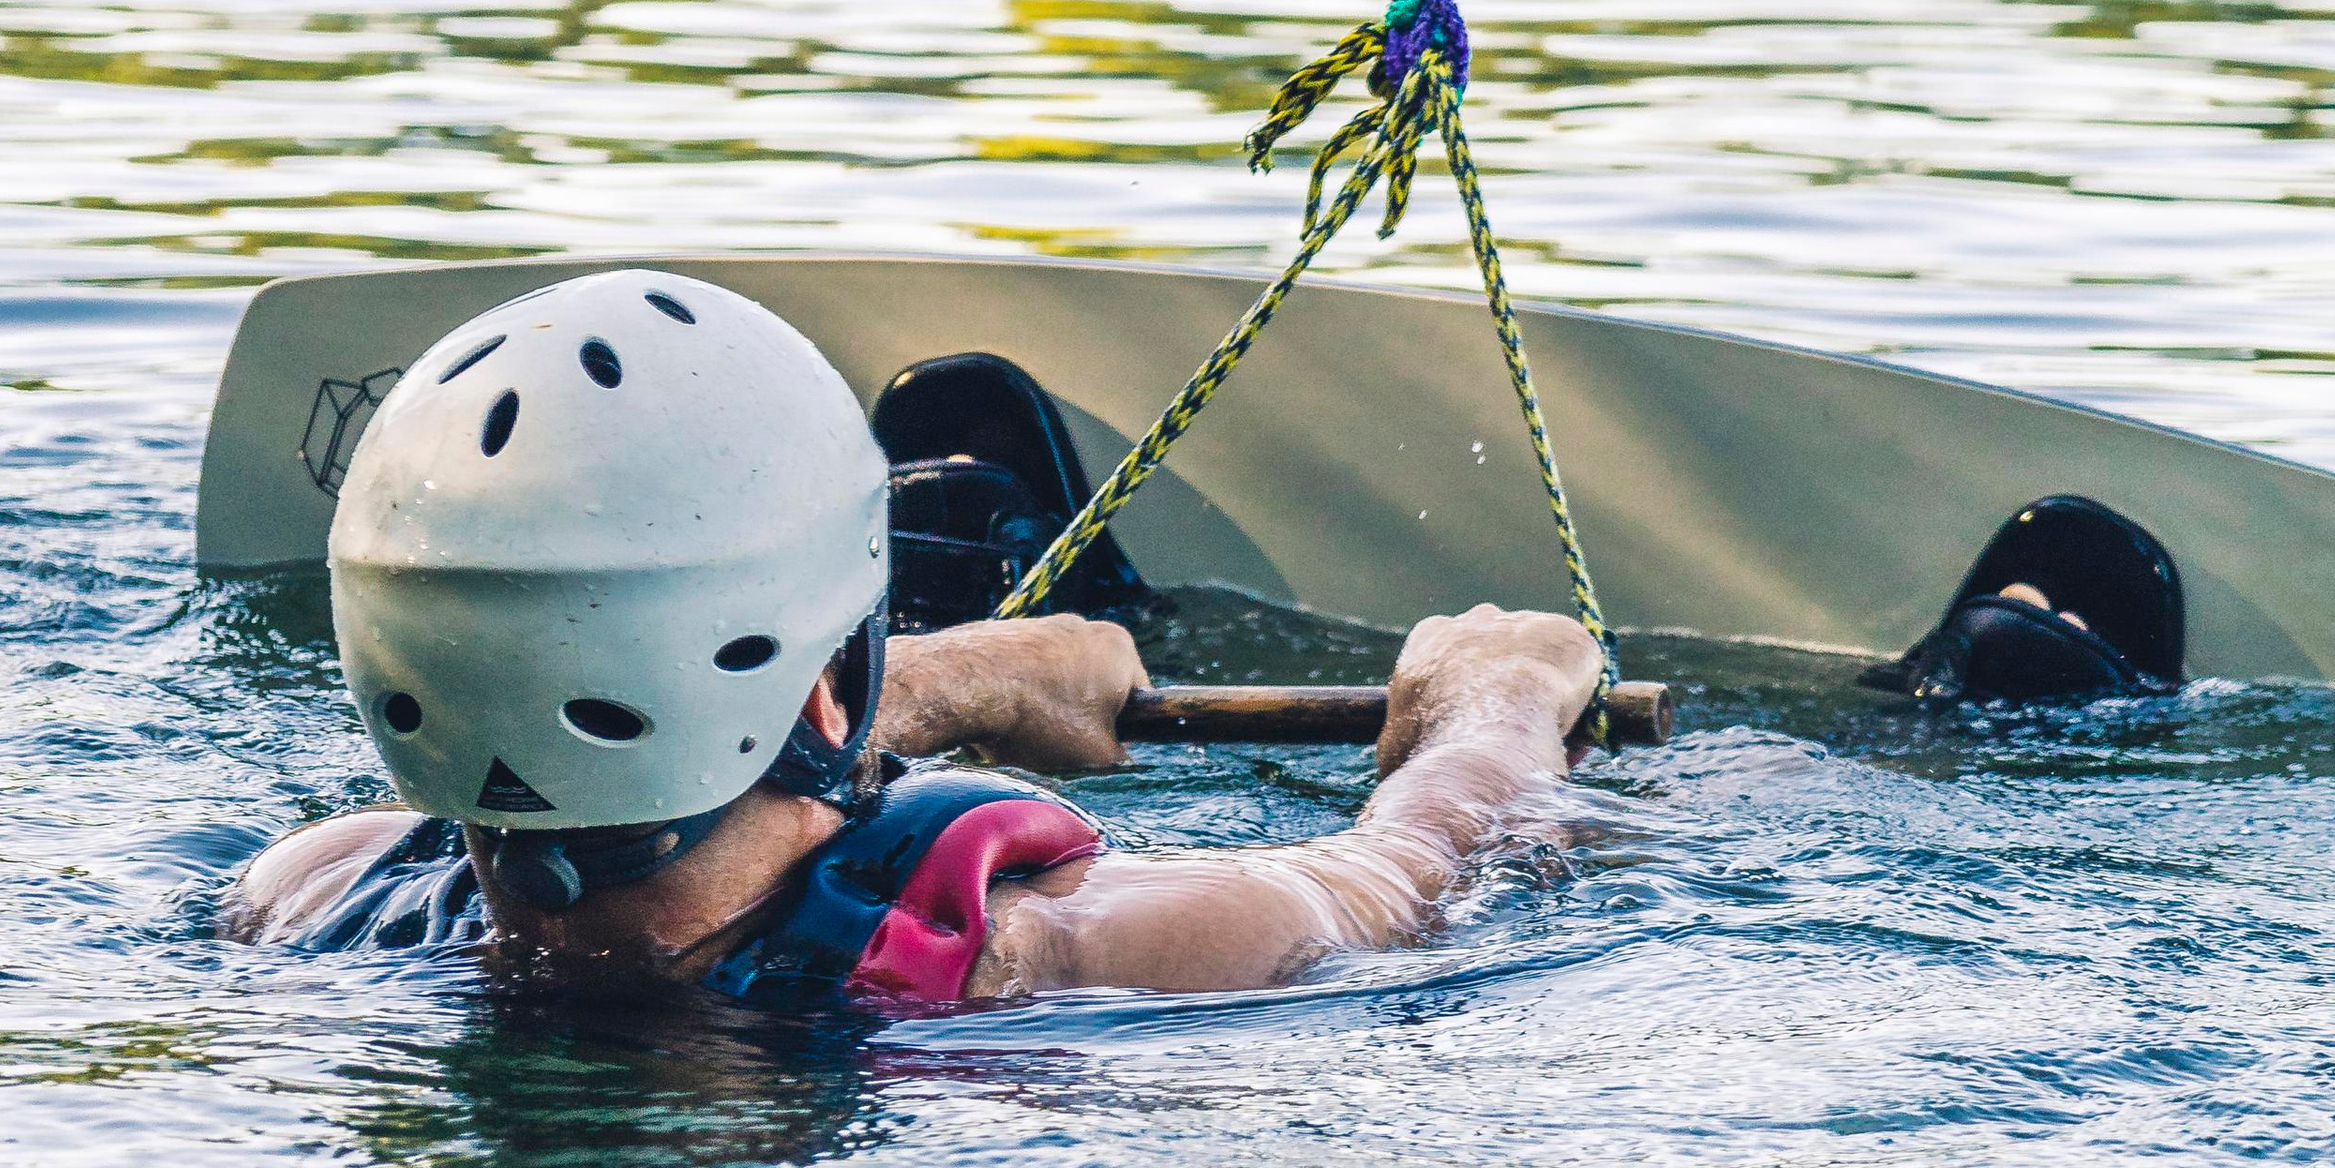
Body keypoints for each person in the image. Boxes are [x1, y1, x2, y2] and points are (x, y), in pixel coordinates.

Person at [222, 269, 1604, 1009]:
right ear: (830, 687)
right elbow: (1408, 871)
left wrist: (969, 675)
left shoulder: (310, 891)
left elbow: (561, 751)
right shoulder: (1056, 954)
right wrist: (1492, 707)